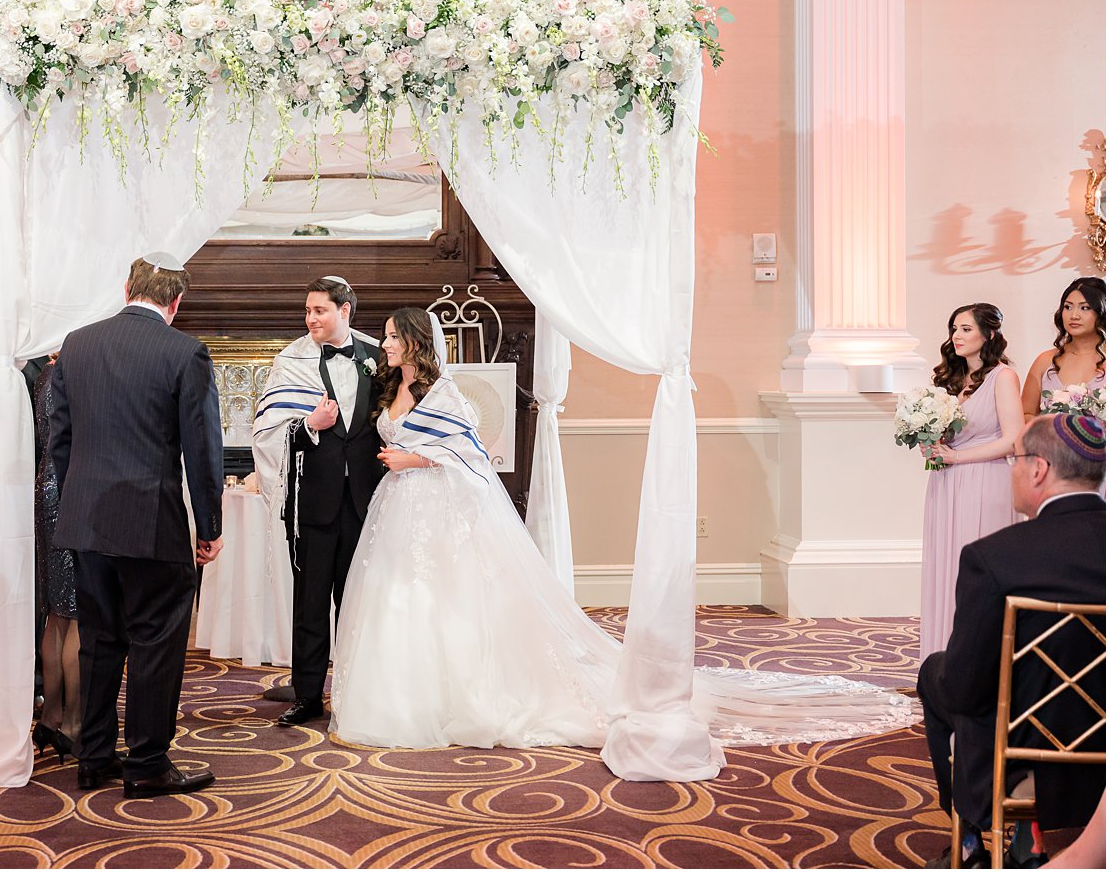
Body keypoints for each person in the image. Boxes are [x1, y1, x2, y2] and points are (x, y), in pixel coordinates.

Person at [329, 308, 917, 759]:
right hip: (399, 510)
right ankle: (407, 699)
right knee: (404, 602)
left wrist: (421, 462)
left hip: (437, 503)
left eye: (390, 336)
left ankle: (462, 698)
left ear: (413, 342)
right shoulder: (390, 390)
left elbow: (471, 457)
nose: (383, 344)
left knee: (452, 602)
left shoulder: (445, 394)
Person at [48, 253, 224, 798]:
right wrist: (209, 523)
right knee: (157, 641)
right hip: (152, 523)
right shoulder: (185, 352)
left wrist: (81, 499)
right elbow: (202, 448)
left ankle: (94, 758)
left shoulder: (76, 344)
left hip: (88, 520)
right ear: (176, 302)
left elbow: (60, 440)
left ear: (127, 286)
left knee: (99, 639)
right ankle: (147, 763)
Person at [916, 414, 1105, 869]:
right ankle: (1029, 835)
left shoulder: (995, 557)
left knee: (937, 674)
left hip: (1019, 758)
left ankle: (970, 843)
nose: (1012, 471)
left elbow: (964, 688)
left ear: (1038, 469)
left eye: (1014, 460)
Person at [250, 276, 385, 727]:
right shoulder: (292, 362)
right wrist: (310, 423)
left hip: (364, 502)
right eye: (307, 311)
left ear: (345, 310)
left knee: (356, 602)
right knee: (310, 604)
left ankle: (355, 692)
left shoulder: (377, 357)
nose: (311, 319)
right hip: (312, 502)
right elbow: (268, 431)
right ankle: (307, 695)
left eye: (320, 311)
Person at [919, 303, 1023, 658]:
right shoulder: (951, 379)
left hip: (986, 482)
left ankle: (978, 663)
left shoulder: (1003, 377)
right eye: (954, 329)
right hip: (946, 483)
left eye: (966, 329)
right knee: (945, 565)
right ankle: (942, 658)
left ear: (989, 334)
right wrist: (930, 442)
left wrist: (957, 456)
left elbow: (1012, 438)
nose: (956, 336)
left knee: (976, 571)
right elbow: (944, 436)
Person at [32, 352, 80, 760]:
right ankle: (74, 723)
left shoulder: (46, 373)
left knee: (56, 612)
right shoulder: (75, 372)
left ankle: (51, 716)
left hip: (46, 485)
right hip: (72, 488)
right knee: (79, 611)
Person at [1021, 277, 1105, 420]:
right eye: (1068, 307)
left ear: (1102, 312)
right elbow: (1025, 414)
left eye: (1085, 308)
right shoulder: (1044, 361)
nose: (1074, 315)